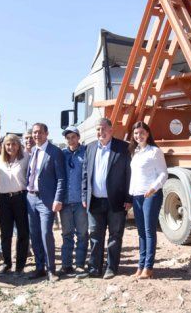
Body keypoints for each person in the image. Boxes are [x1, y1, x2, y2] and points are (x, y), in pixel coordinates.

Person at [77, 118, 131, 280]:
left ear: (111, 130)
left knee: (115, 236)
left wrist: (129, 198)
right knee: (95, 236)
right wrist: (84, 195)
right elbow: (85, 174)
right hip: (94, 201)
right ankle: (94, 269)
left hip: (116, 201)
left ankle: (111, 268)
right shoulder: (90, 147)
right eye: (98, 129)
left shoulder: (123, 148)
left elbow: (129, 174)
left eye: (103, 129)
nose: (100, 132)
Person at [25, 123, 65, 282]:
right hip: (31, 198)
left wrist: (58, 199)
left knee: (46, 234)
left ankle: (51, 270)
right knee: (34, 235)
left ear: (46, 134)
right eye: (34, 133)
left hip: (46, 200)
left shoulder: (55, 152)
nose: (36, 135)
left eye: (40, 132)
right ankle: (39, 267)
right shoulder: (33, 151)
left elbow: (61, 178)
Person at [128, 121, 168, 279]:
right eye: (136, 133)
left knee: (149, 231)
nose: (139, 136)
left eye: (142, 133)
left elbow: (163, 173)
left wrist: (153, 188)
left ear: (148, 134)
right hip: (137, 195)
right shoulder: (136, 152)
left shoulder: (155, 151)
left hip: (151, 194)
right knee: (141, 232)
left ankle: (148, 268)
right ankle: (140, 266)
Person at [0, 134, 30, 274]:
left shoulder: (26, 158)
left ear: (18, 145)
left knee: (22, 232)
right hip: (3, 199)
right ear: (4, 146)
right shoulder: (0, 159)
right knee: (5, 233)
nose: (11, 147)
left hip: (20, 197)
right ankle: (7, 263)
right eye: (8, 144)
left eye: (14, 144)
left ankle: (20, 265)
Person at [59, 126, 88, 275]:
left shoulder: (86, 153)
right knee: (67, 234)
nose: (71, 140)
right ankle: (66, 264)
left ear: (78, 137)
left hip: (80, 202)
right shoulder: (62, 154)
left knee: (82, 234)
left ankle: (80, 264)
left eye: (73, 137)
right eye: (68, 138)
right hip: (65, 201)